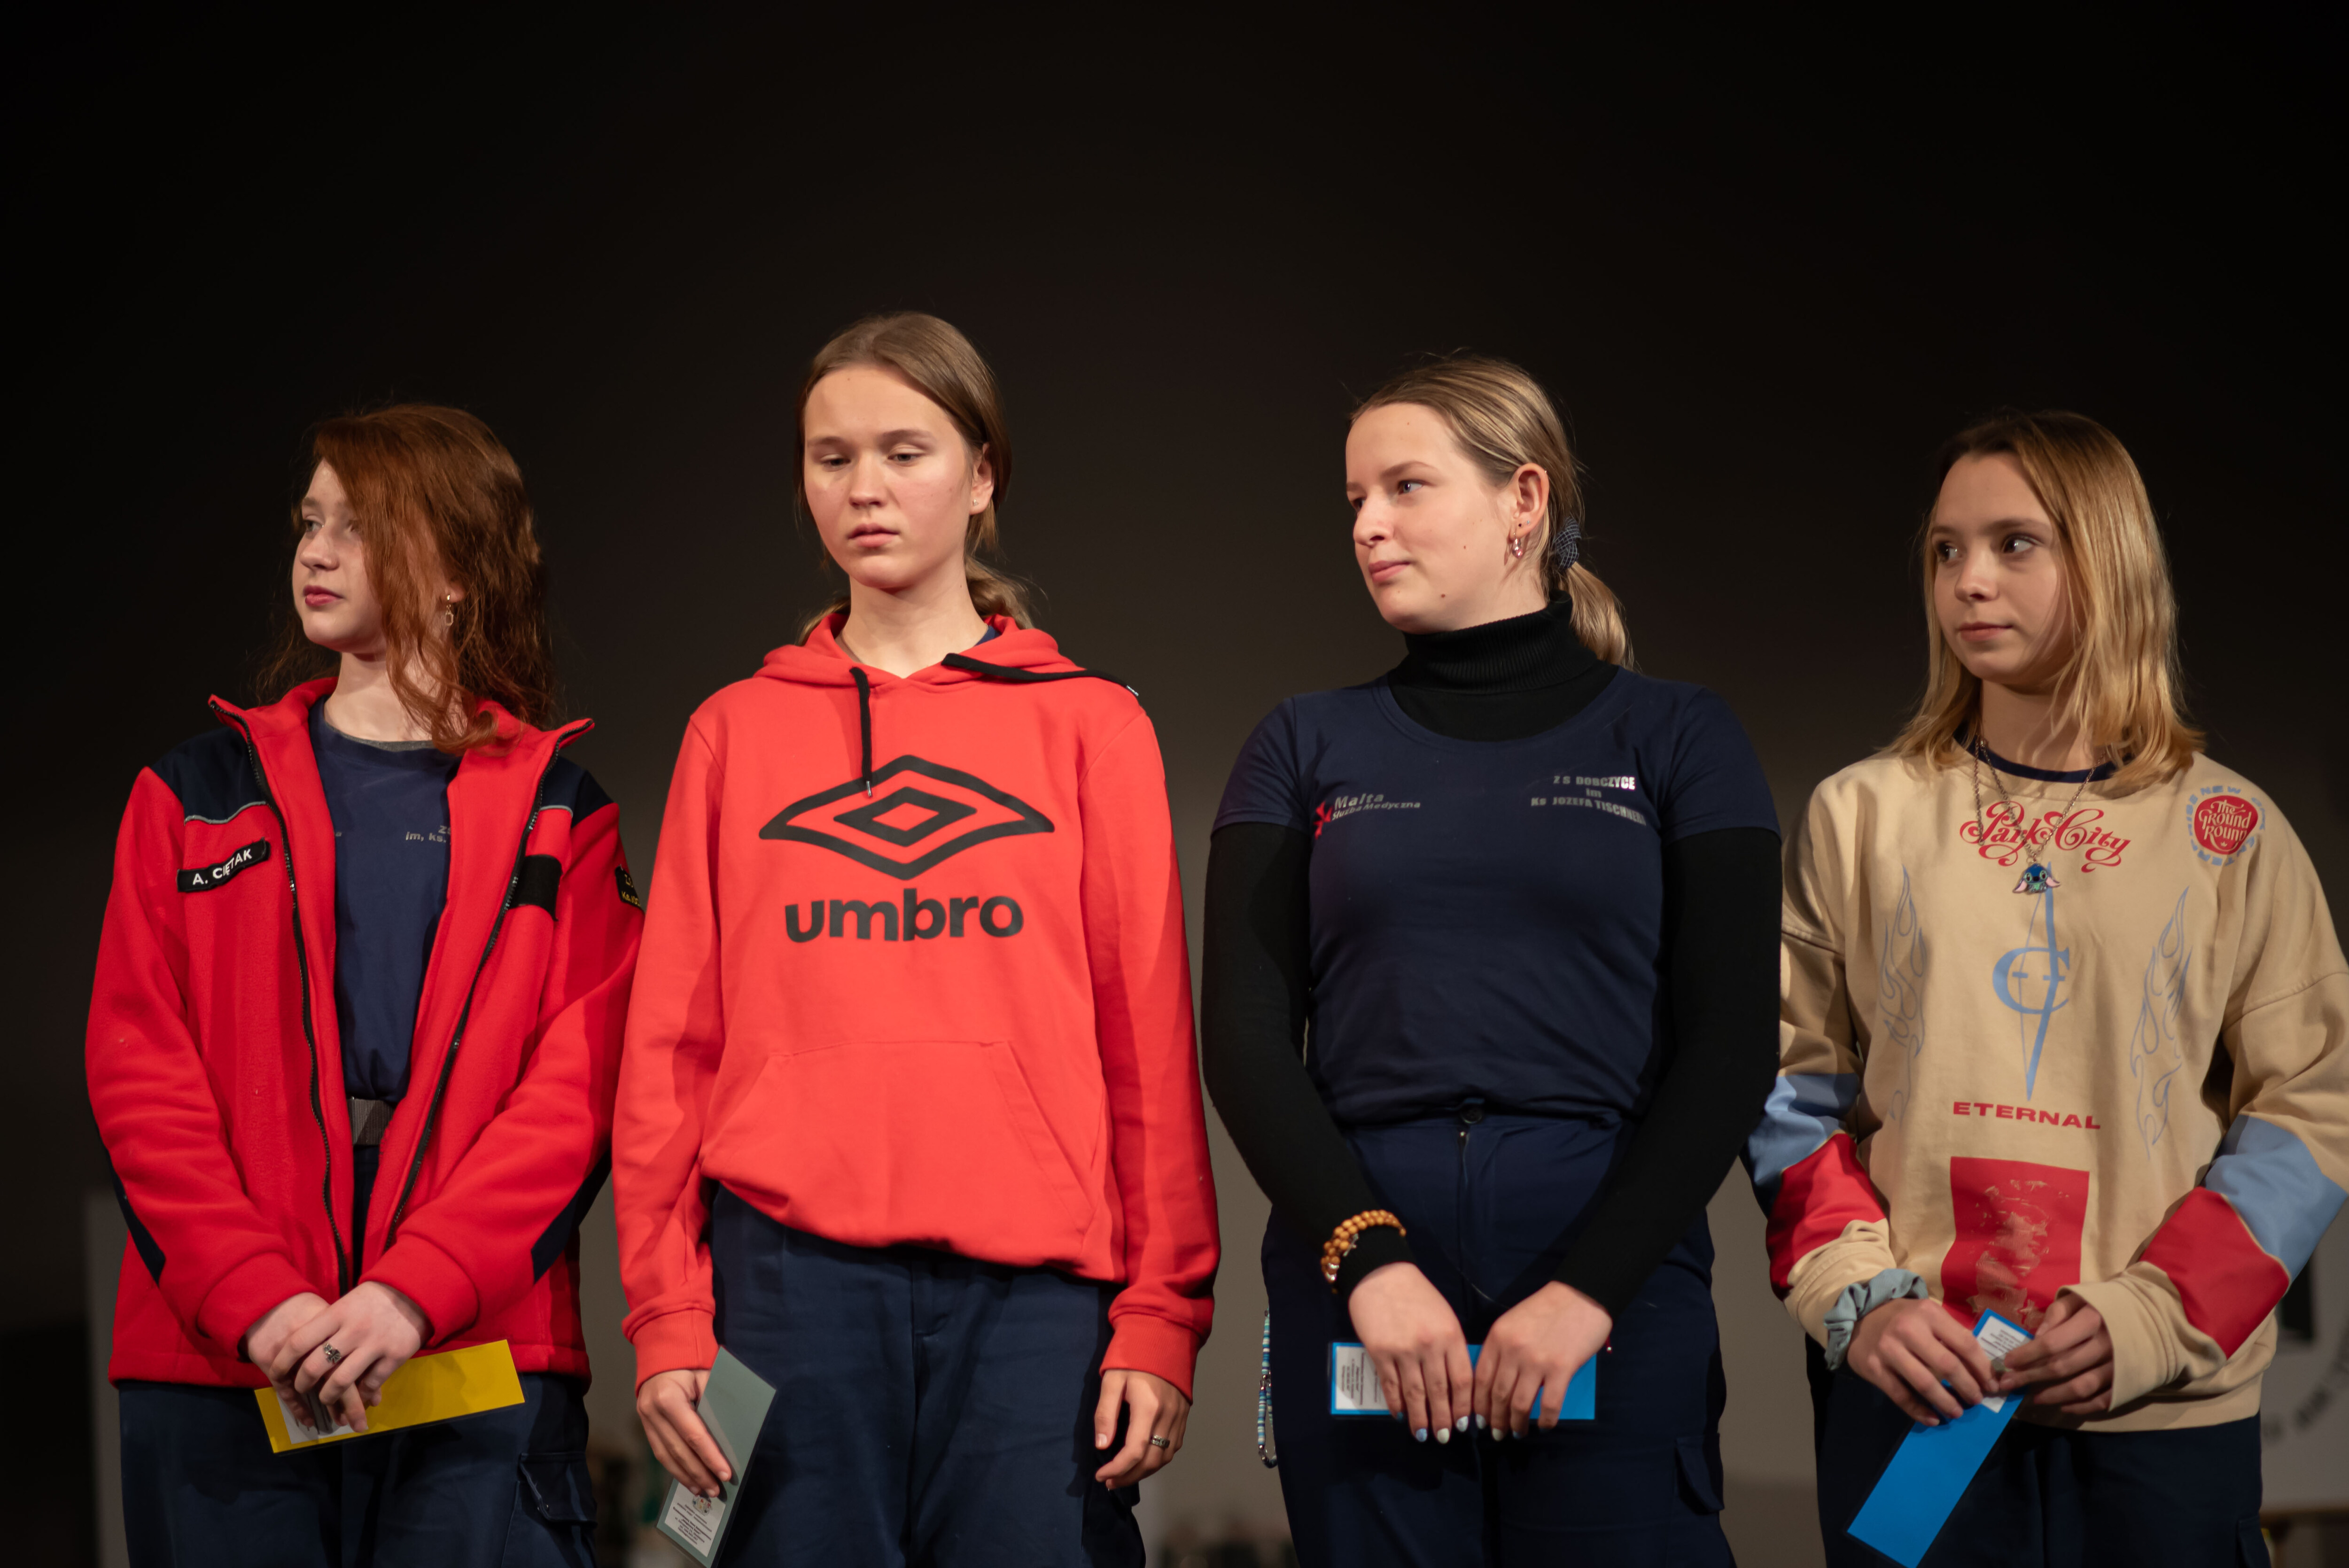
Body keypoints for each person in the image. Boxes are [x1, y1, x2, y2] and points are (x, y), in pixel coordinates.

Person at [614, 311, 1219, 1566]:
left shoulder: (1092, 726)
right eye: (831, 457)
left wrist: (1163, 1310)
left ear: (983, 474)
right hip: (778, 1291)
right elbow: (670, 1053)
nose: (865, 488)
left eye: (905, 452)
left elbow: (1148, 1047)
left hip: (1037, 1303)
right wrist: (666, 1315)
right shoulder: (733, 731)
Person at [1203, 356, 1782, 1565]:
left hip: (1606, 1280)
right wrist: (1369, 1262)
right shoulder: (1301, 743)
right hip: (1362, 1281)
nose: (1367, 526)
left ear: (1523, 499)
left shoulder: (1680, 735)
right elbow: (1247, 1040)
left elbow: (1730, 1046)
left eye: (1405, 487)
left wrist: (1588, 1291)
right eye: (1355, 500)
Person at [1749, 410, 2347, 1566]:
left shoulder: (2232, 832)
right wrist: (1861, 1300)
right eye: (1945, 549)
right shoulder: (1860, 815)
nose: (1968, 581)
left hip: (2159, 1416)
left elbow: (2314, 1106)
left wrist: (2157, 1316)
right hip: (1918, 1403)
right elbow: (1784, 1086)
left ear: (2108, 558)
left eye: (2014, 543)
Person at [89, 405, 642, 1565]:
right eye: (310, 522)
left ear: (459, 571)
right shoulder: (193, 794)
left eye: (359, 525)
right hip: (223, 1366)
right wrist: (260, 1298)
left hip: (469, 1361)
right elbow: (141, 1075)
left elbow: (574, 1096)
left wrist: (411, 1292)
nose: (318, 552)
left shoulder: (562, 813)